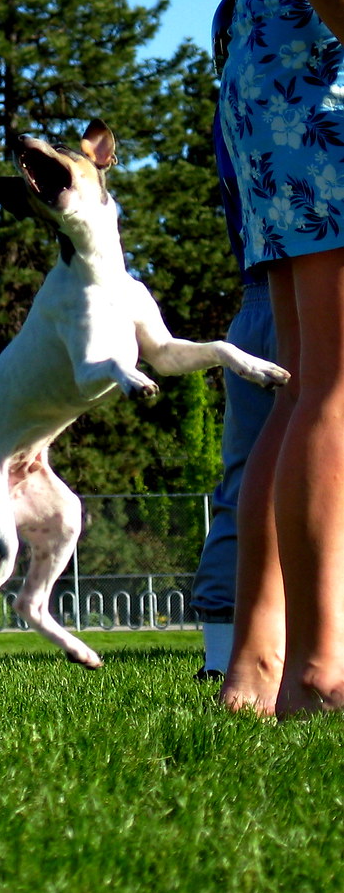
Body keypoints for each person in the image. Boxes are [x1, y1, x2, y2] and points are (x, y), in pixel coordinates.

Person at [215, 0, 344, 717]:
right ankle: (321, 666)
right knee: (332, 384)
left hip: (277, 53)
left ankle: (259, 664)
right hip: (316, 63)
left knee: (303, 385)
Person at [190, 109, 276, 680]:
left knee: (245, 481)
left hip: (257, 306)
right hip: (307, 296)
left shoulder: (240, 99)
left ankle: (222, 659)